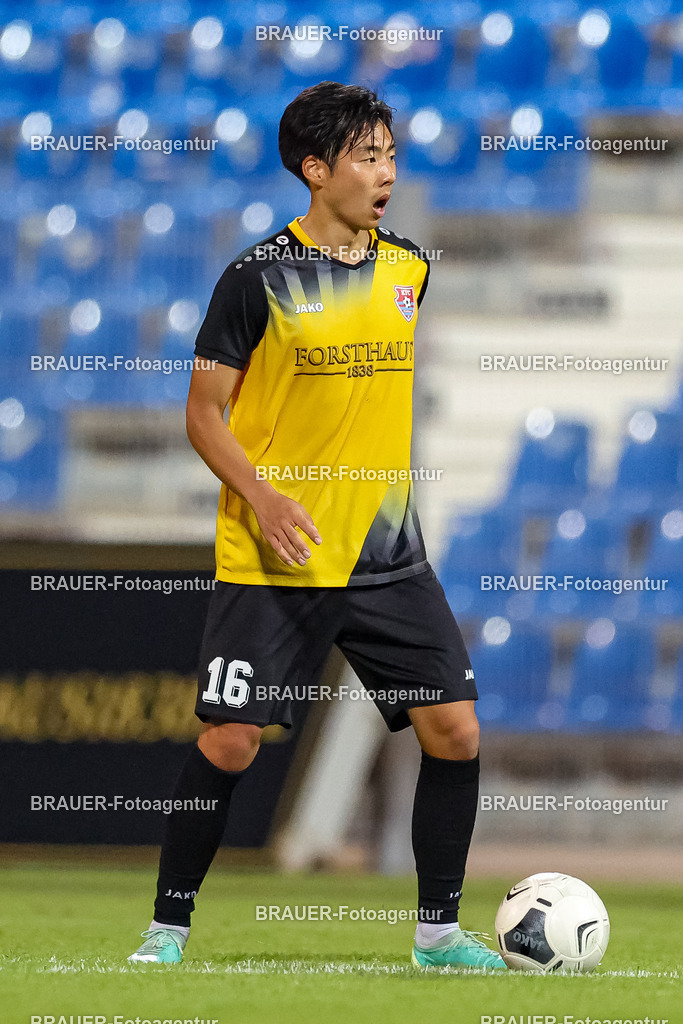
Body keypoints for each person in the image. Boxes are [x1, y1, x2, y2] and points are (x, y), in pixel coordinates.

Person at [128, 80, 505, 971]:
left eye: (389, 155)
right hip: (274, 558)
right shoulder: (254, 279)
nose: (385, 173)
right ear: (314, 168)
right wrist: (262, 496)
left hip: (385, 554)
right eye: (367, 157)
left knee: (455, 729)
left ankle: (438, 936)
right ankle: (167, 928)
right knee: (229, 741)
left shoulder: (410, 268)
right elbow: (204, 414)